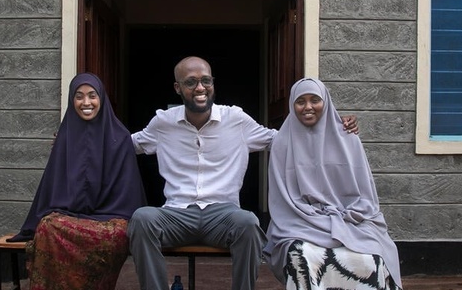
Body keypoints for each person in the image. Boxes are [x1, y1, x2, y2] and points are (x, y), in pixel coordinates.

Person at [128, 56, 358, 290]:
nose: (200, 88)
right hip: (176, 214)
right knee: (142, 219)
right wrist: (91, 126)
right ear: (178, 88)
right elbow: (124, 146)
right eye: (191, 82)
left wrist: (335, 126)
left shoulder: (235, 119)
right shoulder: (163, 123)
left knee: (248, 223)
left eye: (206, 81)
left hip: (223, 215)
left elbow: (281, 140)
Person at [9, 73, 146, 290]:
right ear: (72, 101)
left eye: (92, 96)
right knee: (47, 227)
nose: (86, 103)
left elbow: (127, 194)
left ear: (102, 99)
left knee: (116, 234)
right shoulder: (65, 138)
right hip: (71, 217)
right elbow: (51, 188)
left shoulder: (120, 138)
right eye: (79, 96)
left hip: (111, 219)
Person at [265, 77, 402, 290]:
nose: (308, 107)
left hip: (351, 220)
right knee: (301, 256)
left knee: (373, 256)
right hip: (300, 221)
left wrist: (346, 216)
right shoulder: (282, 143)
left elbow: (365, 196)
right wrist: (315, 217)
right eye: (300, 101)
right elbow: (282, 202)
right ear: (292, 105)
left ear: (326, 102)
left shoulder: (348, 137)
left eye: (315, 100)